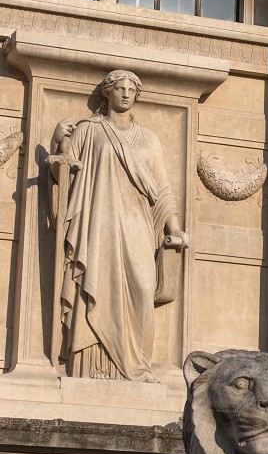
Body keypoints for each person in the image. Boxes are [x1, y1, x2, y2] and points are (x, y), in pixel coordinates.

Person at [50, 70, 187, 382]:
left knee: (141, 288)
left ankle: (138, 366)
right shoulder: (88, 131)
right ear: (107, 93)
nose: (126, 94)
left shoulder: (149, 140)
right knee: (95, 283)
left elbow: (162, 190)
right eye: (120, 88)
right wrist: (58, 141)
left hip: (138, 225)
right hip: (98, 225)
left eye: (131, 90)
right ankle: (92, 367)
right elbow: (64, 174)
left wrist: (174, 229)